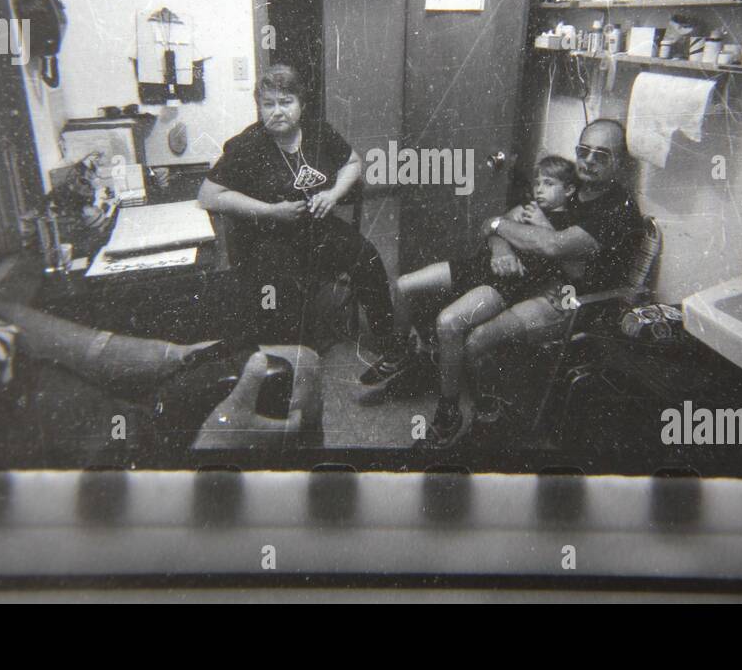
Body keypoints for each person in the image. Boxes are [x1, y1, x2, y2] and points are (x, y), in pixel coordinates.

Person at [414, 118, 643, 448]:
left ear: (619, 162)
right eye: (584, 150)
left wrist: (502, 227)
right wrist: (500, 240)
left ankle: (487, 419)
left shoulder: (617, 209)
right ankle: (470, 408)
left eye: (602, 155)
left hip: (576, 301)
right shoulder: (570, 188)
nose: (589, 160)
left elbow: (552, 246)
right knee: (455, 321)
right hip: (539, 282)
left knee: (478, 339)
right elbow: (496, 225)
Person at [198, 64, 396, 347]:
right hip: (267, 239)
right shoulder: (247, 144)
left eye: (286, 102)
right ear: (260, 107)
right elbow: (209, 194)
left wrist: (333, 195)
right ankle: (289, 357)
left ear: (301, 105)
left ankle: (386, 337)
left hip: (316, 229)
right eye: (269, 104)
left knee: (368, 257)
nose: (277, 111)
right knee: (279, 292)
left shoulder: (318, 132)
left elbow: (353, 162)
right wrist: (270, 211)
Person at [361, 155, 581, 402]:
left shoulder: (569, 227)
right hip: (476, 265)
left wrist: (543, 225)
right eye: (538, 183)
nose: (540, 189)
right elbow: (490, 229)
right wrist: (502, 247)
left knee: (448, 322)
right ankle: (399, 352)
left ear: (569, 189)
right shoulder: (526, 209)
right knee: (403, 285)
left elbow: (568, 261)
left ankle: (449, 405)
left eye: (549, 184)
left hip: (501, 283)